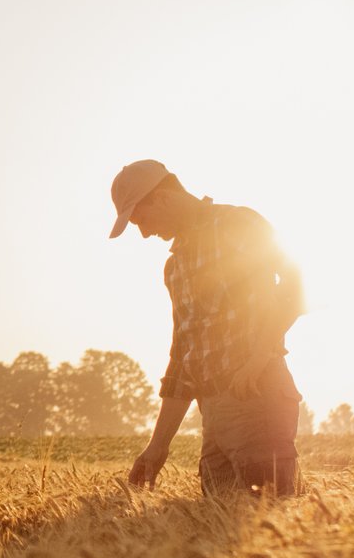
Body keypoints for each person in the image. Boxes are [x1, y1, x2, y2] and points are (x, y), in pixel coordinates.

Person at [107, 159, 305, 497]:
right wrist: (158, 445)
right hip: (213, 417)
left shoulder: (237, 224)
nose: (143, 233)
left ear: (164, 197)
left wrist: (260, 356)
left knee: (270, 522)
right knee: (217, 532)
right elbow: (182, 358)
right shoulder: (175, 267)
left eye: (141, 219)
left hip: (257, 399)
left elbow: (296, 286)